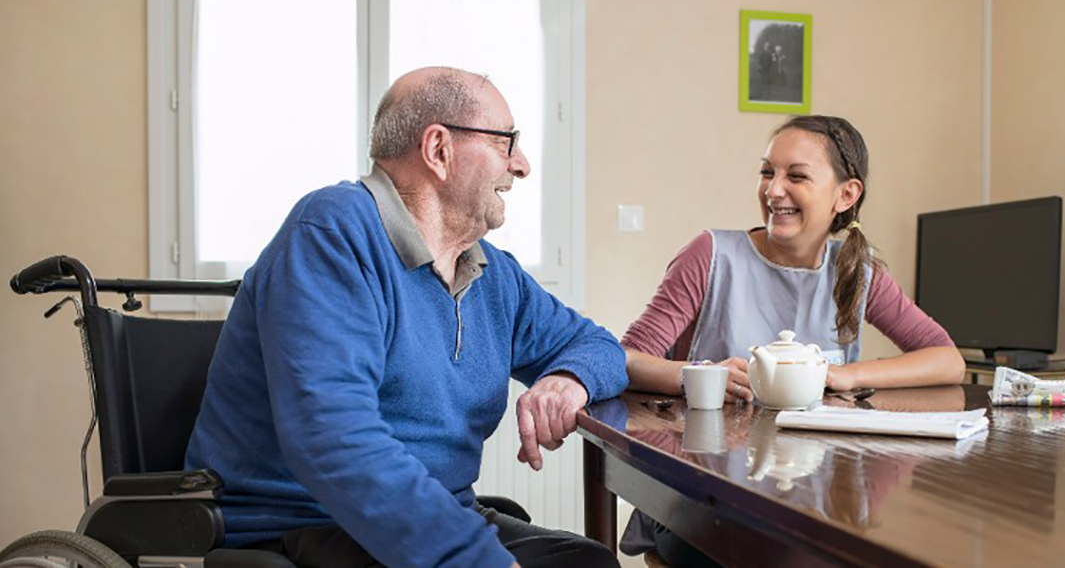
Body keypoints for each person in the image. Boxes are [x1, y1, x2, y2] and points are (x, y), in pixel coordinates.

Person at [184, 67, 627, 568]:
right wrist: (474, 558)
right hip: (307, 524)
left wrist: (569, 378)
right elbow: (334, 440)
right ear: (439, 149)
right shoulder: (331, 234)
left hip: (435, 519)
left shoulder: (490, 272)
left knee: (586, 562)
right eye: (505, 142)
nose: (521, 165)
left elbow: (599, 347)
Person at [619, 115, 965, 567]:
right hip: (699, 503)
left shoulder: (857, 271)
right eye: (767, 172)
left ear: (846, 195)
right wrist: (700, 376)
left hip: (810, 511)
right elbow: (624, 359)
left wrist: (843, 375)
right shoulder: (710, 255)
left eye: (796, 176)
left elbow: (947, 360)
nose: (773, 190)